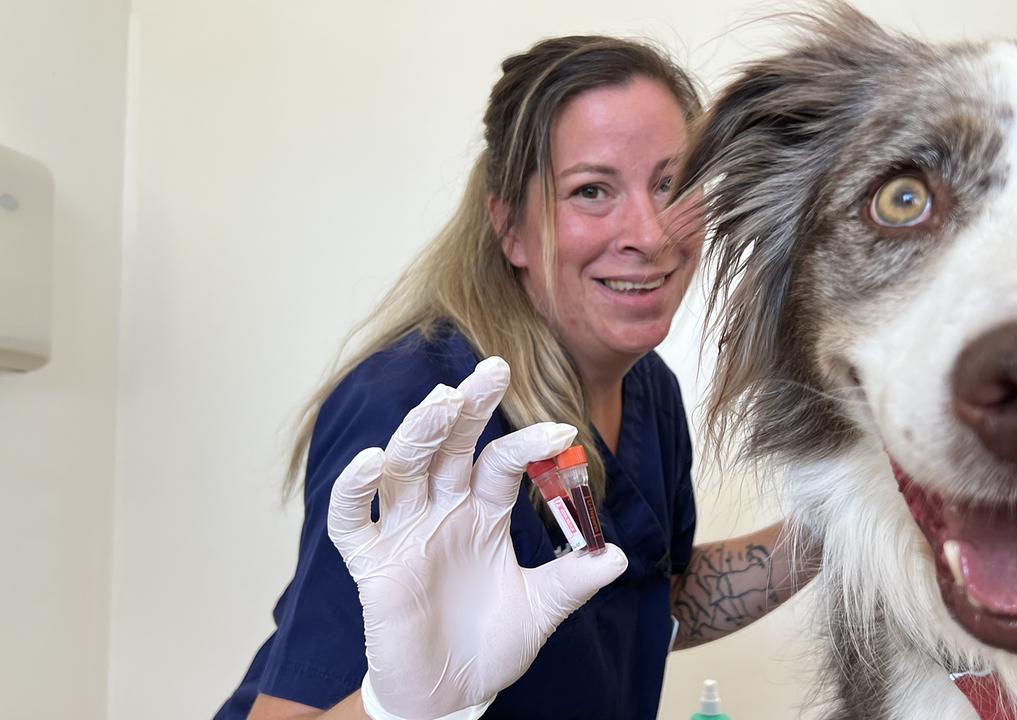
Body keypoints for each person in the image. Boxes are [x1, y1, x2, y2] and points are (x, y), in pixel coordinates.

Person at [216, 35, 810, 720]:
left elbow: (644, 599)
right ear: (511, 228)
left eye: (671, 183)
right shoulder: (418, 409)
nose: (649, 233)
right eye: (592, 190)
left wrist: (835, 528)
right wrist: (398, 708)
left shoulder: (648, 391)